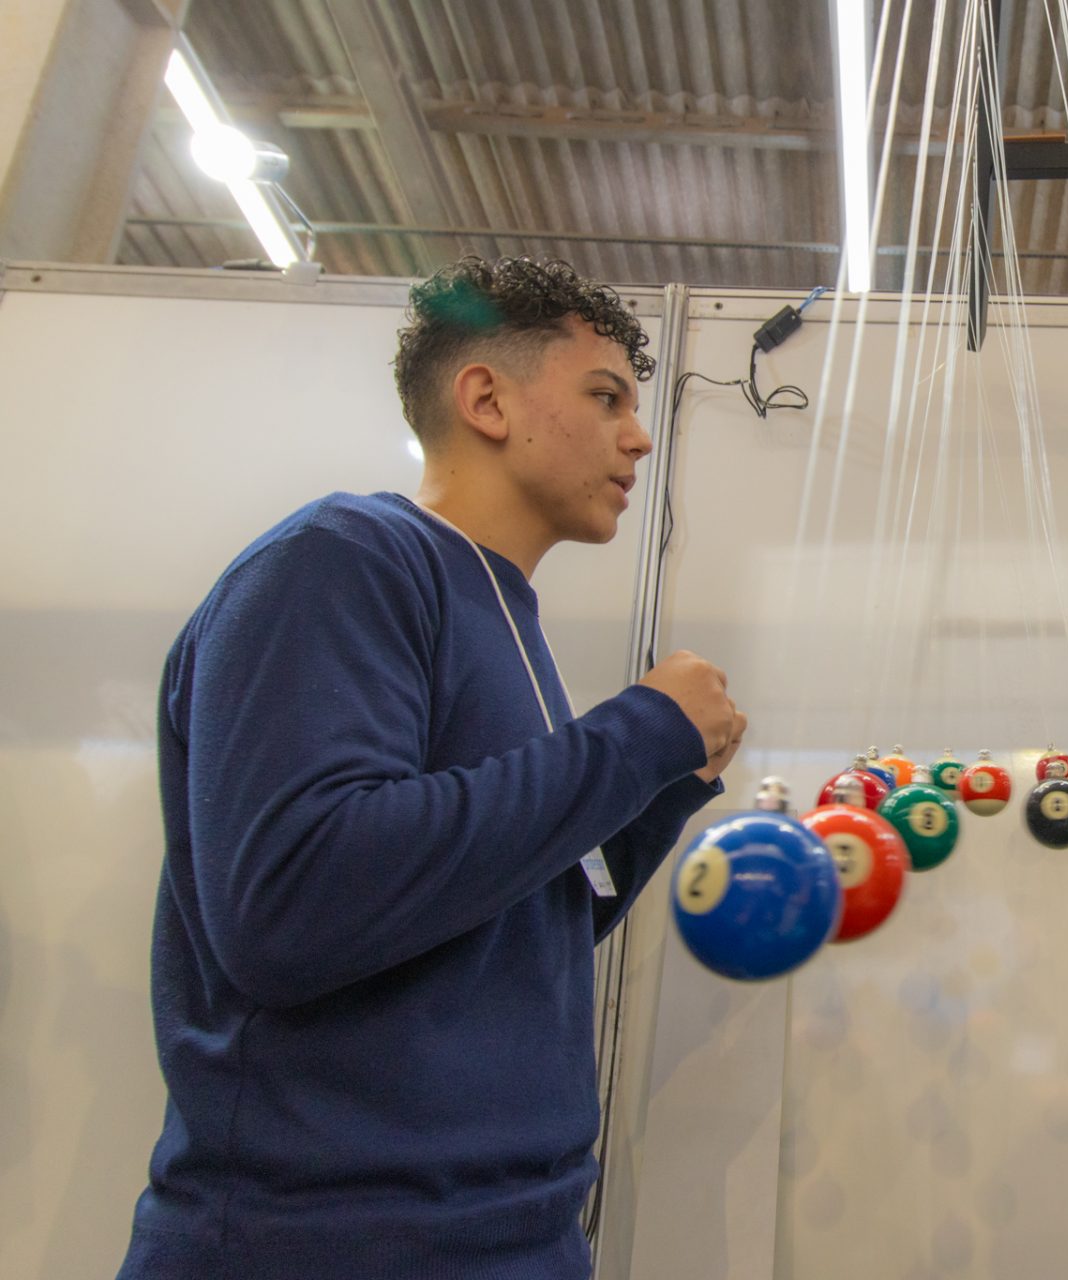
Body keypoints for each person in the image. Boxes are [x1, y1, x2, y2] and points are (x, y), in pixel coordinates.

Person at [116, 256, 748, 1279]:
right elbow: (296, 901)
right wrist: (636, 734)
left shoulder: (503, 617)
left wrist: (661, 782)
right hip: (326, 1245)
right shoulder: (343, 558)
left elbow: (513, 919)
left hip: (513, 1233)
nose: (638, 437)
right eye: (606, 398)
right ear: (486, 399)